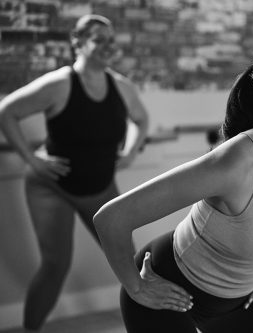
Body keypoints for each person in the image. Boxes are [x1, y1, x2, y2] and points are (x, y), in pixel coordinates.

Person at [93, 23, 253, 333]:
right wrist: (137, 287)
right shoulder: (237, 162)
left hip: (237, 301)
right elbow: (112, 218)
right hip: (169, 291)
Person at [0, 14, 149, 332]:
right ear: (78, 43)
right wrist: (32, 159)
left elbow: (141, 119)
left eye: (111, 39)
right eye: (99, 39)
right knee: (56, 266)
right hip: (51, 186)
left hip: (100, 187)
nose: (108, 46)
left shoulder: (122, 87)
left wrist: (131, 152)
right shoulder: (58, 84)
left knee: (130, 264)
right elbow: (7, 111)